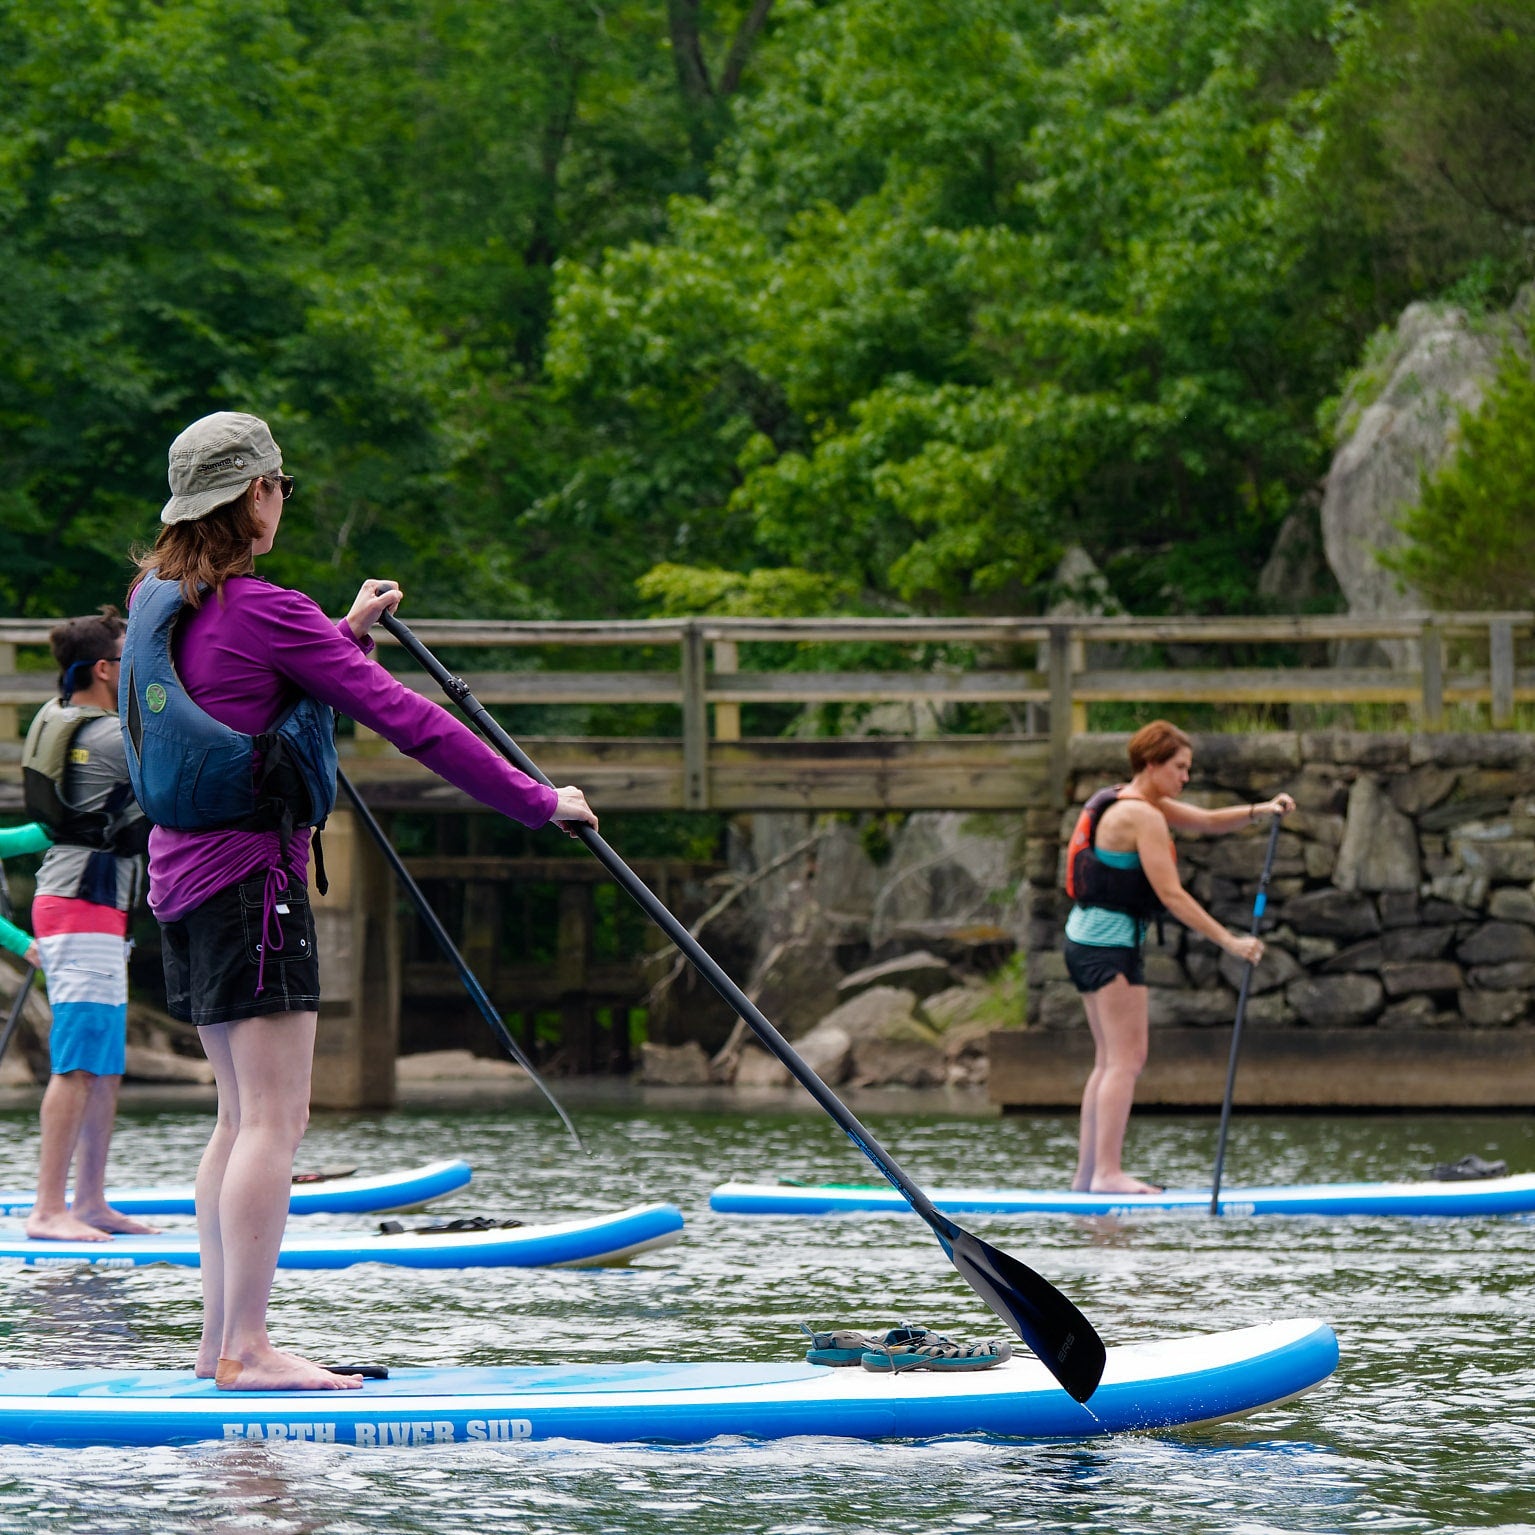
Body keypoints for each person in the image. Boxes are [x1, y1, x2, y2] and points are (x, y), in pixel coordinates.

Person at [121, 410, 598, 1393]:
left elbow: (247, 683)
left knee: (235, 1115)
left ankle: (221, 1345)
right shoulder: (267, 607)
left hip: (178, 880)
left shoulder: (156, 601)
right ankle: (248, 1349)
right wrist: (535, 799)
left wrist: (341, 635)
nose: (281, 498)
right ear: (255, 495)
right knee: (272, 1124)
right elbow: (410, 721)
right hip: (254, 885)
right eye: (279, 484)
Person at [1065, 719, 1293, 1195]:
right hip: (1109, 946)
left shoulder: (1127, 800)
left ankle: (1088, 1177)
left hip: (1086, 939)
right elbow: (1172, 895)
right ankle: (1108, 1175)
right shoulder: (1142, 817)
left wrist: (1262, 810)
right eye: (1180, 768)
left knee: (1109, 1059)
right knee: (1127, 1060)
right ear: (1152, 765)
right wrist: (1231, 943)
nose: (1186, 777)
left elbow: (1205, 821)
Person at [19, 608, 154, 1240]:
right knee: (76, 1063)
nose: (136, 669)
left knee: (105, 1064)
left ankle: (91, 1201)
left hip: (95, 909)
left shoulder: (69, 721)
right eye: (128, 659)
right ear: (103, 669)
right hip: (79, 910)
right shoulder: (104, 737)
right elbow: (176, 771)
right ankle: (49, 1209)